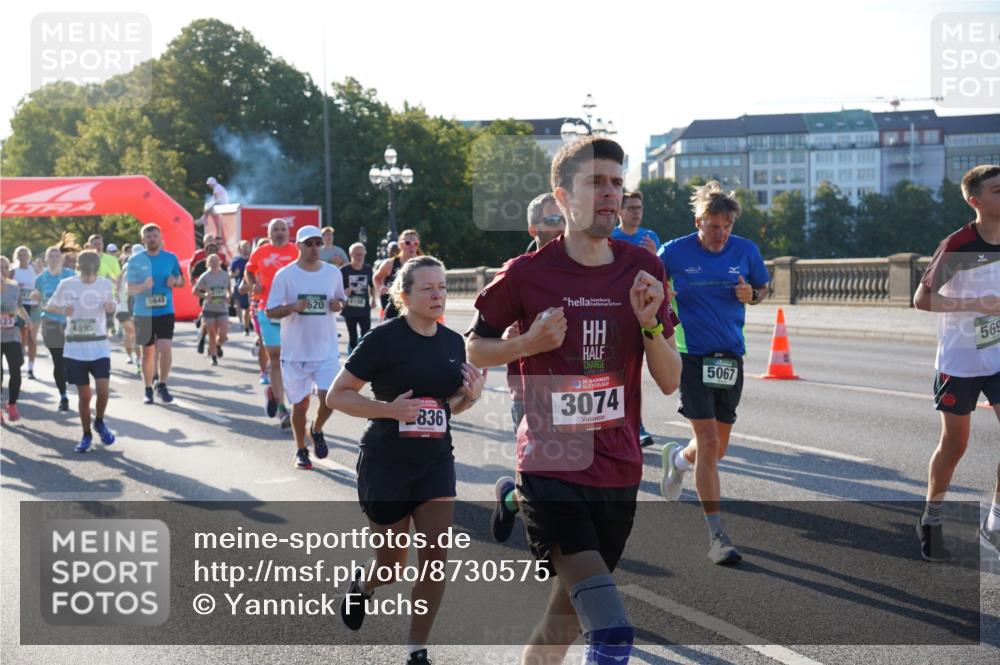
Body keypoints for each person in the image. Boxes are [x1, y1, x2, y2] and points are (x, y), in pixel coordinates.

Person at [467, 136, 681, 665]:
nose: (610, 194)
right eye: (595, 182)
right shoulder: (526, 274)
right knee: (612, 633)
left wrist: (650, 322)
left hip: (618, 468)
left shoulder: (644, 268)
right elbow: (474, 346)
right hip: (551, 466)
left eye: (616, 182)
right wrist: (526, 344)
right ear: (562, 197)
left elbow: (671, 379)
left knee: (560, 625)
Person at [326, 255, 484, 665]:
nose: (438, 295)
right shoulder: (383, 340)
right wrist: (388, 410)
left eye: (442, 287)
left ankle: (416, 649)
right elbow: (337, 395)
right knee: (391, 567)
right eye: (428, 288)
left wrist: (471, 396)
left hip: (435, 462)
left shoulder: (453, 342)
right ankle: (362, 586)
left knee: (435, 559)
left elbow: (448, 408)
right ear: (404, 295)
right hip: (386, 464)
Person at [657, 180, 769, 565]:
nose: (721, 234)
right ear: (698, 222)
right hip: (691, 356)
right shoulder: (673, 251)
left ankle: (676, 461)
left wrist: (751, 295)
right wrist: (661, 295)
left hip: (729, 358)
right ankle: (717, 535)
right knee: (707, 443)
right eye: (713, 225)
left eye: (727, 226)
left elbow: (762, 288)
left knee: (716, 448)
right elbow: (647, 281)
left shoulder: (746, 251)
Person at [913, 164, 1000, 562]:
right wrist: (974, 304)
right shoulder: (958, 245)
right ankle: (932, 518)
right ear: (975, 200)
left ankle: (995, 524)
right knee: (955, 444)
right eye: (998, 190)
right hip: (960, 359)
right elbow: (922, 300)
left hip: (998, 355)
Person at [266, 226, 346, 468]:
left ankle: (317, 429)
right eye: (308, 244)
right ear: (298, 245)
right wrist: (292, 307)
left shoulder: (333, 273)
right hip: (295, 352)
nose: (313, 248)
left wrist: (337, 305)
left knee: (329, 398)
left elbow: (341, 300)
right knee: (300, 405)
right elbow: (271, 310)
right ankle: (301, 450)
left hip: (326, 349)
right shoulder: (285, 275)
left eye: (317, 244)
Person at [505, 193, 566, 432]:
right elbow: (478, 345)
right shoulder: (516, 273)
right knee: (533, 466)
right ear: (533, 230)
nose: (561, 227)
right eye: (551, 220)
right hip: (529, 394)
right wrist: (511, 339)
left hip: (578, 393)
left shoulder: (590, 271)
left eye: (564, 219)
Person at [46, 250, 117, 452]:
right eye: (85, 265)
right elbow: (50, 306)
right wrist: (62, 310)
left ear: (97, 266)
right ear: (79, 265)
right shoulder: (67, 284)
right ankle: (86, 434)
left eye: (92, 265)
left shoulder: (104, 284)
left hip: (99, 345)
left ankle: (100, 422)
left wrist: (110, 306)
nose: (88, 271)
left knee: (103, 391)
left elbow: (111, 307)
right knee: (85, 397)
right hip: (76, 349)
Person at [613, 191, 662, 447]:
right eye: (630, 207)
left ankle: (637, 424)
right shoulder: (610, 237)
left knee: (635, 373)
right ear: (620, 211)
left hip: (643, 314)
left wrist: (656, 255)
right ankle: (615, 420)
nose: (636, 212)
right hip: (616, 312)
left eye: (639, 207)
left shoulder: (650, 237)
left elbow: (662, 273)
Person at [244, 219, 299, 428]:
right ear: (268, 234)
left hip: (293, 312)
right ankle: (283, 409)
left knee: (291, 361)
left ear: (288, 232)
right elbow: (249, 271)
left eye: (283, 229)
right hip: (267, 310)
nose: (279, 232)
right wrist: (253, 285)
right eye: (274, 229)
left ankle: (273, 392)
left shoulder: (296, 251)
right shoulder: (260, 252)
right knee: (276, 358)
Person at [127, 223, 185, 404]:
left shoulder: (170, 258)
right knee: (148, 353)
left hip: (165, 311)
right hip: (143, 313)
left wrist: (175, 281)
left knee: (165, 348)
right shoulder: (135, 261)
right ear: (143, 240)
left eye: (155, 236)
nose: (152, 239)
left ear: (160, 238)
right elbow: (129, 289)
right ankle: (147, 389)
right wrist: (143, 286)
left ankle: (162, 384)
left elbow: (182, 281)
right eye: (148, 237)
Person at [33, 246, 77, 410]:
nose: (54, 258)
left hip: (70, 323)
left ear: (61, 258)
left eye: (56, 255)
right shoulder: (40, 278)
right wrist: (35, 298)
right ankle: (63, 396)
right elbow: (40, 303)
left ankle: (68, 377)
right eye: (50, 256)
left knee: (68, 360)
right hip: (50, 323)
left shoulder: (70, 275)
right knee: (58, 360)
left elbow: (79, 295)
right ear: (46, 259)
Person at [1, 256, 29, 423]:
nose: (2, 271)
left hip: (12, 337)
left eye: (5, 267)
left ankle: (12, 404)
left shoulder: (14, 288)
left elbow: (18, 307)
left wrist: (27, 319)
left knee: (16, 371)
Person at [374, 229, 423, 321]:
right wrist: (381, 287)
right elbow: (376, 277)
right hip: (393, 308)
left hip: (414, 307)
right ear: (400, 244)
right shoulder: (390, 263)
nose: (412, 246)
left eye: (415, 243)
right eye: (408, 243)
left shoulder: (422, 264)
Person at [193, 254, 231, 366]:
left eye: (216, 261)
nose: (214, 263)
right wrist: (205, 295)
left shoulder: (225, 275)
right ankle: (213, 356)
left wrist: (228, 296)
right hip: (209, 308)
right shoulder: (205, 276)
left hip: (222, 307)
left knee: (223, 334)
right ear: (208, 263)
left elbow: (228, 289)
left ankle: (218, 345)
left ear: (220, 262)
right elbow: (194, 291)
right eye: (212, 261)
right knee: (212, 334)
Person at [341, 242, 376, 355]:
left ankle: (364, 356)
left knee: (366, 334)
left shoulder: (368, 269)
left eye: (361, 254)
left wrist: (374, 299)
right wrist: (345, 292)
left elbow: (372, 285)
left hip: (364, 308)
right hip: (349, 309)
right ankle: (352, 358)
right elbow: (337, 289)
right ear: (350, 254)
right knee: (353, 336)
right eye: (356, 254)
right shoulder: (344, 270)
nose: (359, 256)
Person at [11, 246, 39, 380]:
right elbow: (6, 285)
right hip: (19, 306)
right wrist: (16, 286)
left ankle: (31, 369)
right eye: (20, 255)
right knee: (23, 335)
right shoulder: (13, 271)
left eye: (25, 255)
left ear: (29, 256)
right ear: (17, 257)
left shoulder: (34, 270)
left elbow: (40, 284)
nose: (23, 257)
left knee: (33, 338)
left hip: (33, 306)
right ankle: (21, 355)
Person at [114, 245, 142, 373]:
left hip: (132, 304)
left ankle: (136, 358)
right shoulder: (128, 267)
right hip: (126, 305)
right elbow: (122, 284)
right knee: (131, 333)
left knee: (132, 333)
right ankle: (134, 357)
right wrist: (118, 296)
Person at [229, 240, 252, 335]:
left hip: (252, 287)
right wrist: (235, 274)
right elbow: (230, 274)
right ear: (240, 249)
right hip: (240, 287)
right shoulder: (236, 261)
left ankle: (247, 323)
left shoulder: (252, 259)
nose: (246, 249)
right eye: (244, 247)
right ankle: (243, 323)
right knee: (244, 307)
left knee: (248, 308)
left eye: (248, 247)